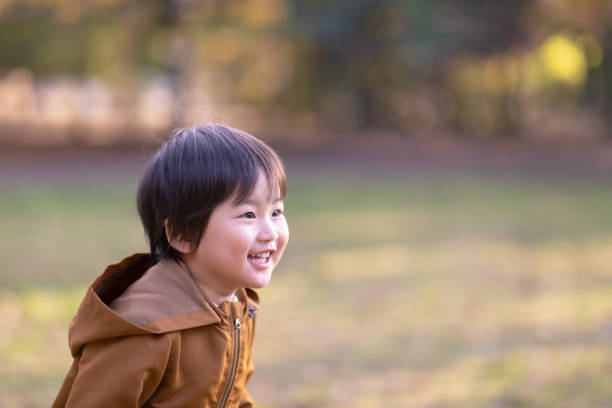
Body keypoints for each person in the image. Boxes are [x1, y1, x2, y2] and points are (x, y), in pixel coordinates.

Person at [52, 124, 290, 407]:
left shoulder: (236, 305)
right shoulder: (145, 330)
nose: (270, 232)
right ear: (183, 235)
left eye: (276, 212)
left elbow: (232, 395)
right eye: (248, 214)